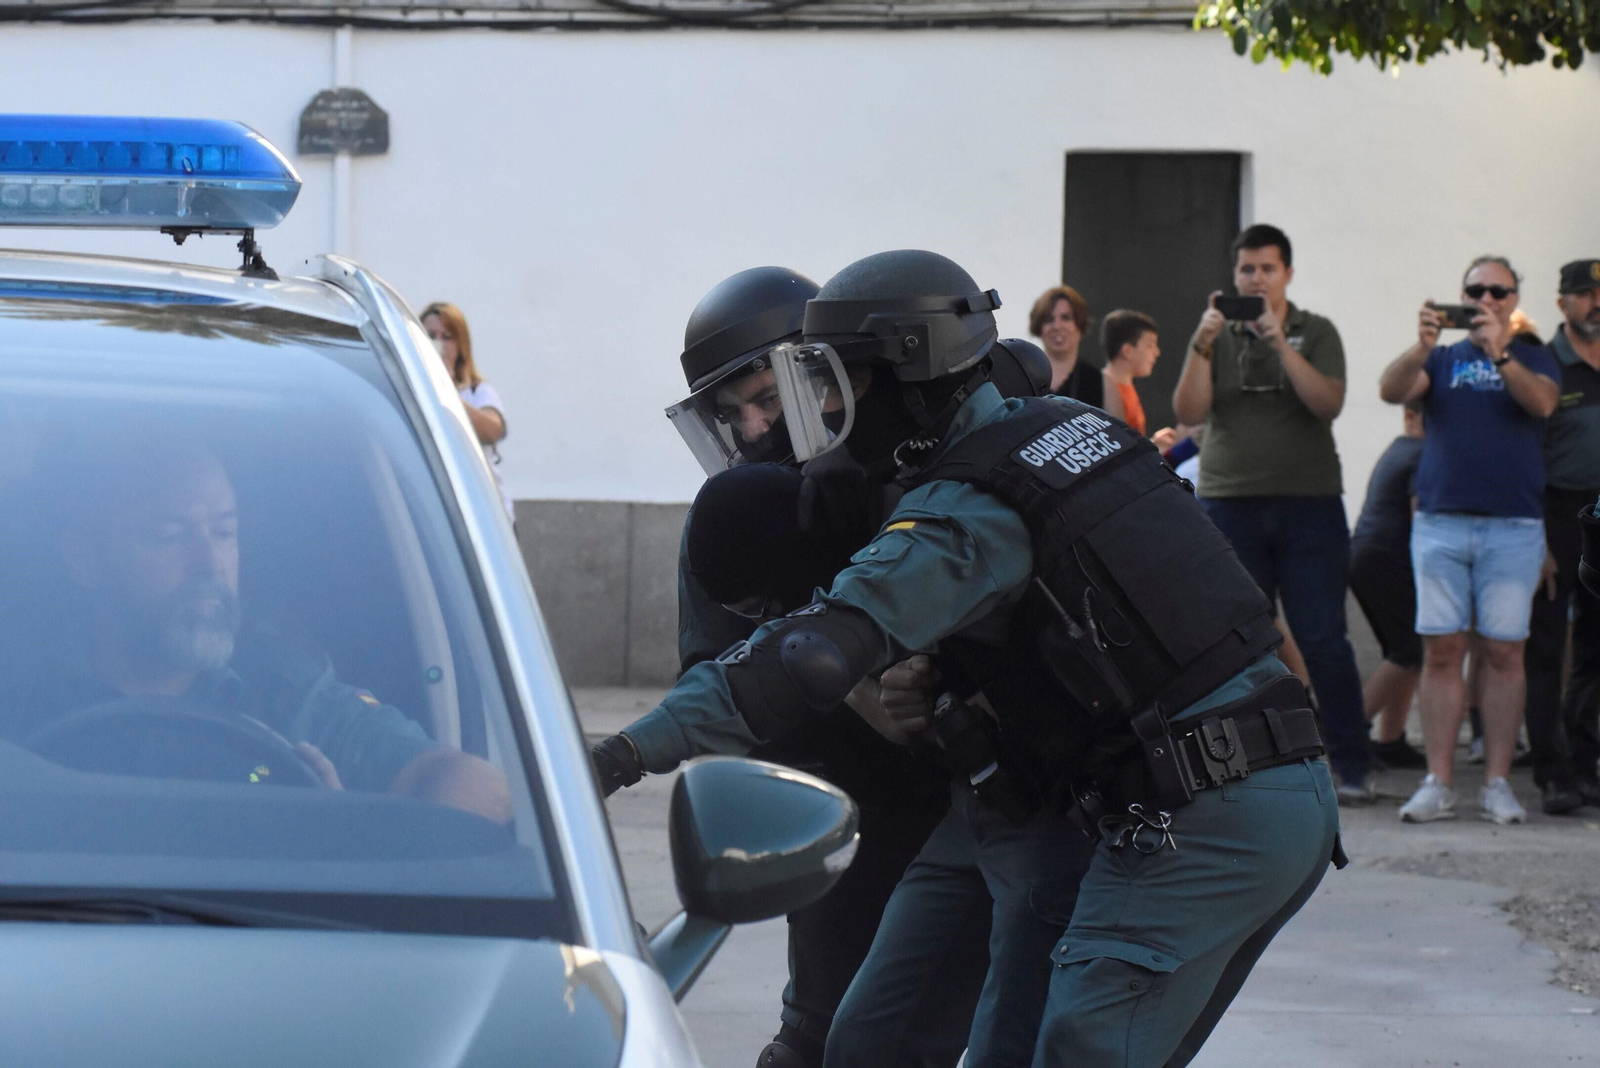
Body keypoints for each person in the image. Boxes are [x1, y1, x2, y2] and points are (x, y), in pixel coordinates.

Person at [596, 249, 1341, 1068]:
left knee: (1081, 1045)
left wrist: (619, 755)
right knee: (880, 1038)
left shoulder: (970, 503)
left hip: (1201, 807)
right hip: (1101, 796)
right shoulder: (1069, 429)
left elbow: (801, 658)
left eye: (834, 386)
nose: (813, 417)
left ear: (904, 378)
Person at [644, 265, 984, 1068]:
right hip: (838, 821)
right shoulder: (738, 516)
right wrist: (858, 695)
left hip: (978, 816)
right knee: (823, 1039)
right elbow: (719, 678)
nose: (757, 428)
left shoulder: (923, 460)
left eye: (768, 399)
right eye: (732, 416)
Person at [16, 438, 509, 822]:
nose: (209, 564)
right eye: (168, 536)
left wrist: (359, 841)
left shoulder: (284, 691)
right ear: (84, 558)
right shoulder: (17, 691)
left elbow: (478, 784)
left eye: (225, 533)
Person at [1171, 223, 1374, 805]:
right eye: (1246, 270)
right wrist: (1202, 343)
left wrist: (1280, 340)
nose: (1255, 279)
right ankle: (1244, 764)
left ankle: (1352, 763)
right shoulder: (1215, 334)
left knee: (1322, 637)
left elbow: (1327, 404)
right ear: (1233, 276)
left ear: (1287, 273)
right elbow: (1187, 411)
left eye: (1266, 269)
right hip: (1229, 501)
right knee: (1236, 642)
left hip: (1308, 503)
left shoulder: (1317, 330)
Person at [1378, 255, 1561, 825]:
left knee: (1505, 652)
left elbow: (1543, 403)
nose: (1486, 300)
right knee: (1441, 652)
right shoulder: (1442, 357)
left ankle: (1498, 782)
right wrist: (1420, 344)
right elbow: (1391, 391)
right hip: (1441, 521)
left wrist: (1500, 351)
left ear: (1512, 299)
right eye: (1475, 291)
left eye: (1498, 292)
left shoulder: (1533, 354)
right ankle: (1438, 781)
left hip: (1514, 525)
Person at [1524, 260, 1600, 813]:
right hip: (1556, 514)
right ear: (1562, 304)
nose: (1595, 301)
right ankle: (1552, 773)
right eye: (1584, 293)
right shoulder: (1545, 364)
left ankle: (1587, 763)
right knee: (1547, 650)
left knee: (1595, 653)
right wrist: (1538, 540)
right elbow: (1524, 456)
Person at [1348, 403, 1428, 769]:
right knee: (1408, 651)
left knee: (1405, 651)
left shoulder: (1398, 447)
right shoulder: (1421, 453)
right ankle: (1346, 735)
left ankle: (1391, 740)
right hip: (1386, 560)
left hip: (1367, 558)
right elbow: (1419, 518)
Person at [421, 302, 514, 523]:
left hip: (488, 518)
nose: (440, 344)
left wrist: (444, 388)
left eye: (447, 337)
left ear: (461, 345)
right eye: (432, 336)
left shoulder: (478, 392)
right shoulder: (413, 392)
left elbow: (493, 430)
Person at [1099, 309, 1178, 448]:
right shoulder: (1104, 390)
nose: (1157, 352)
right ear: (1127, 351)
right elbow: (1115, 449)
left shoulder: (1125, 386)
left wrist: (1152, 443)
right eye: (1150, 346)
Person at [1028, 285, 1103, 406]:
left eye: (1066, 317)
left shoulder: (1102, 383)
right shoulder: (1022, 377)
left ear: (1080, 324)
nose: (1057, 326)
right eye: (1049, 319)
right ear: (1039, 327)